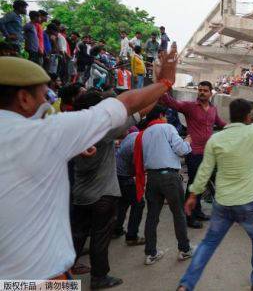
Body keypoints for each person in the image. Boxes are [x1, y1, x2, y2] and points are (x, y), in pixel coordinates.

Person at [0, 46, 179, 280]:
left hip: (78, 198)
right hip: (39, 278)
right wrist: (164, 82)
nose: (48, 102)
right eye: (45, 96)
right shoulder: (50, 133)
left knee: (80, 232)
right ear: (23, 98)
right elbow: (128, 105)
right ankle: (99, 277)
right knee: (99, 238)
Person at [177, 78, 253, 291]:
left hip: (222, 203)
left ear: (229, 117)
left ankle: (186, 285)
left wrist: (193, 194)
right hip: (249, 203)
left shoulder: (216, 139)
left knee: (208, 243)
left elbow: (204, 171)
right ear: (248, 117)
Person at [70, 90, 146, 289]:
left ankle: (62, 272)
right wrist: (162, 87)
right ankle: (99, 277)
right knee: (100, 238)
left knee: (77, 235)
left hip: (79, 194)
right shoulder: (102, 130)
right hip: (102, 195)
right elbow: (141, 111)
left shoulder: (71, 129)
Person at [160, 81, 226, 228]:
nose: (202, 92)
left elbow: (221, 123)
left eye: (205, 90)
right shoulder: (189, 107)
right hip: (194, 152)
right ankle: (188, 217)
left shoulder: (213, 109)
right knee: (193, 184)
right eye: (200, 90)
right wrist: (162, 87)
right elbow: (171, 102)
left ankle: (198, 211)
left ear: (211, 93)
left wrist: (237, 128)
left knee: (201, 184)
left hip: (208, 153)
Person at [134, 105, 194, 265]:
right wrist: (187, 141)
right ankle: (185, 249)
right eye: (165, 115)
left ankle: (150, 253)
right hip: (169, 177)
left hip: (152, 178)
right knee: (179, 213)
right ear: (161, 115)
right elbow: (181, 150)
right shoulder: (167, 127)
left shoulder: (144, 133)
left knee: (152, 216)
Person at [114, 130, 146, 246]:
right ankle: (132, 236)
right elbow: (137, 165)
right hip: (123, 176)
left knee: (123, 201)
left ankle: (116, 229)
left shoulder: (136, 134)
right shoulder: (137, 145)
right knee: (138, 203)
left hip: (117, 173)